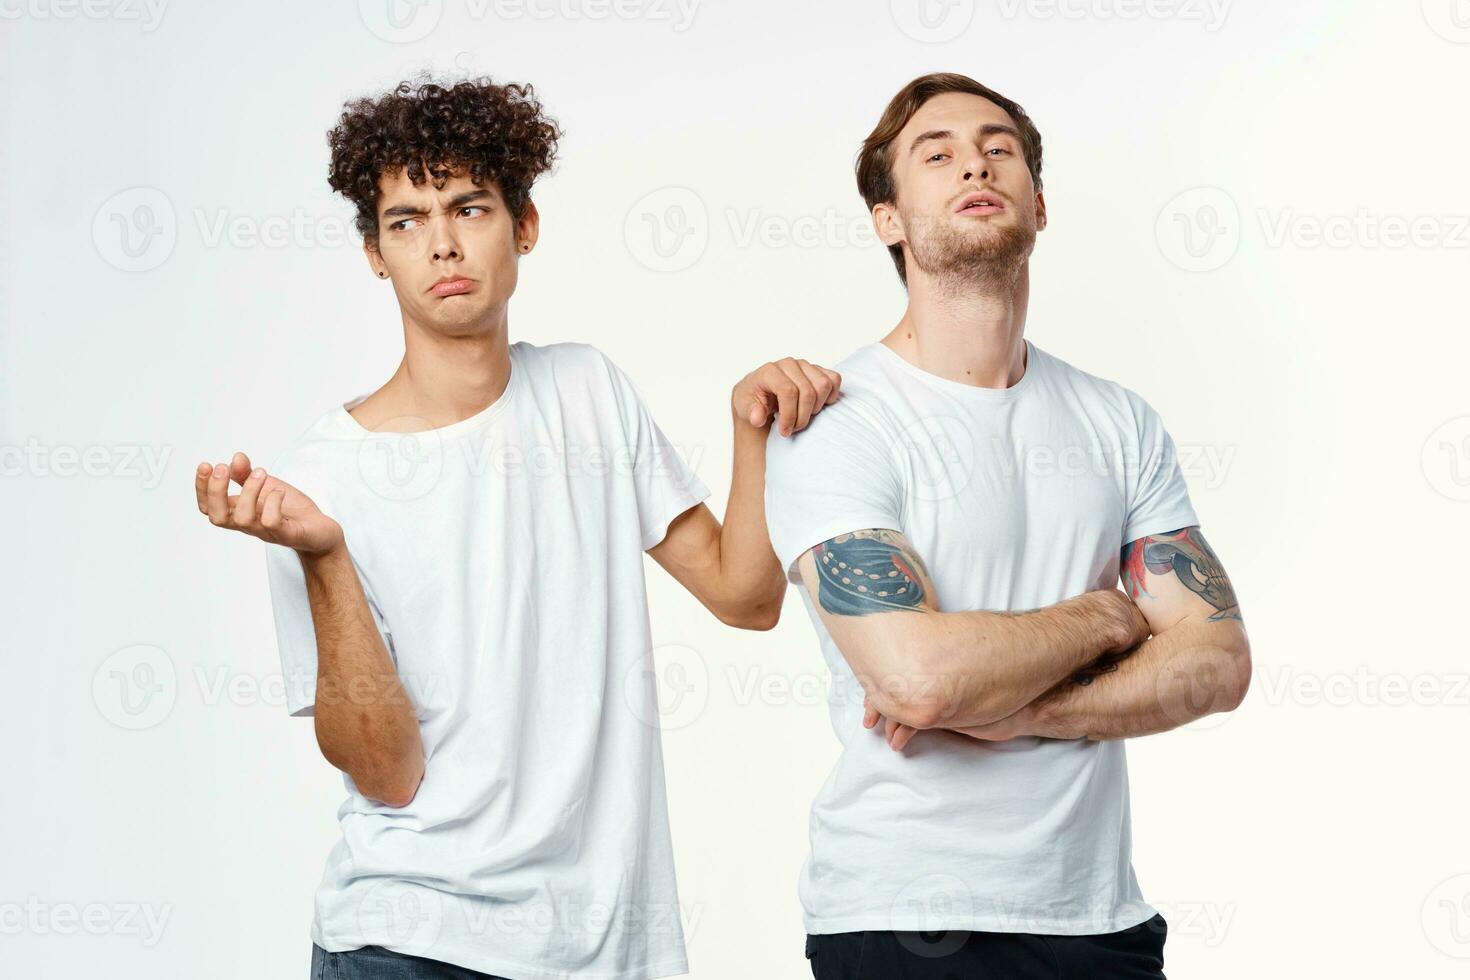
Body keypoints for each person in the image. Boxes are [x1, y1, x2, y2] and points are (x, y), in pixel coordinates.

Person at [193, 76, 841, 980]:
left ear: (524, 225)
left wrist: (751, 432)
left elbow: (746, 596)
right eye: (406, 221)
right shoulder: (319, 482)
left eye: (469, 207)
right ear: (376, 254)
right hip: (411, 942)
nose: (443, 243)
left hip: (606, 952)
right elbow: (386, 775)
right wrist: (324, 554)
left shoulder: (588, 392)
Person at [762, 72, 1252, 979]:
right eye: (934, 153)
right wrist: (1111, 618)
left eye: (1000, 148)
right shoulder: (834, 419)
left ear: (1039, 205)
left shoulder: (1118, 420)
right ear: (890, 220)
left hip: (1100, 919)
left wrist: (1028, 708)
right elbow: (918, 681)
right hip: (903, 917)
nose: (974, 163)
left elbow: (1218, 666)